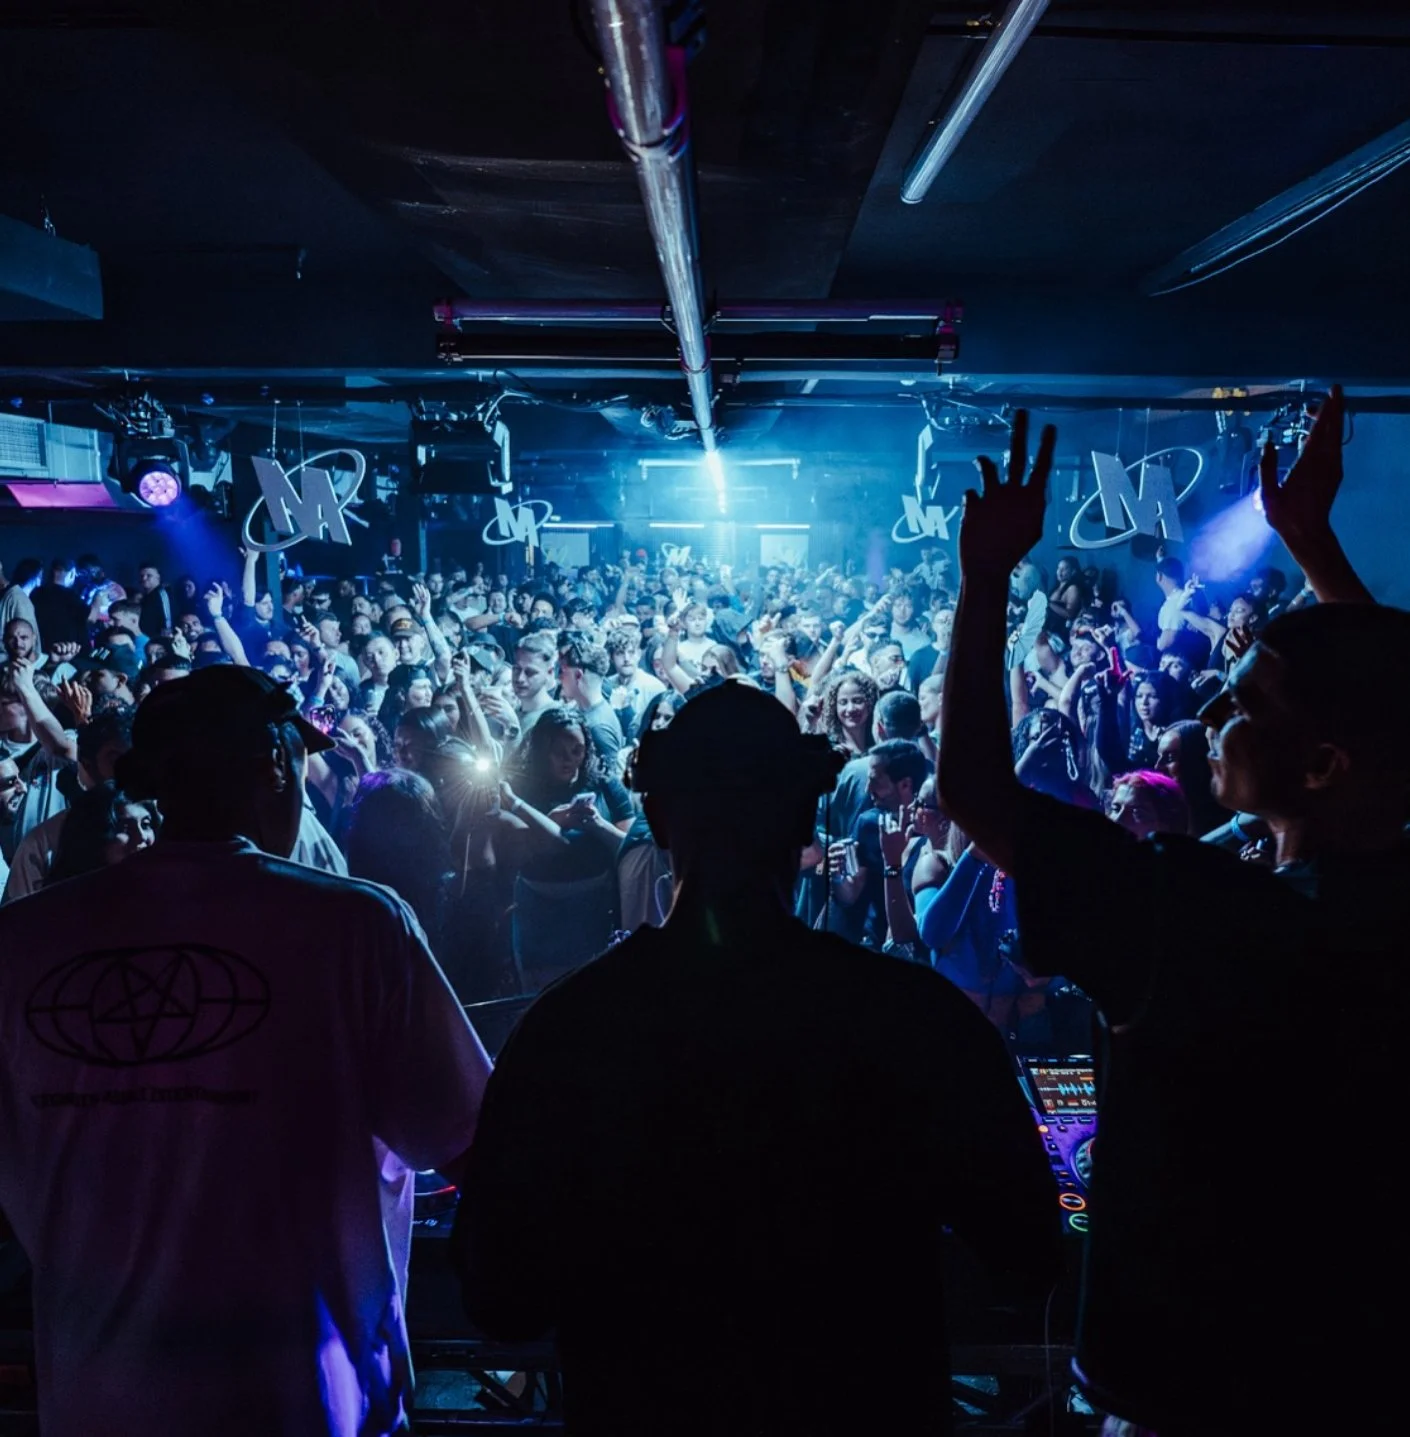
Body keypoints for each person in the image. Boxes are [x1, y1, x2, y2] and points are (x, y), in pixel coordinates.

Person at [937, 392, 1410, 1435]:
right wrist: (1316, 546)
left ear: (1322, 767)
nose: (1213, 718)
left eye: (1250, 705)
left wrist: (982, 584)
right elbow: (1397, 723)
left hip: (1187, 1391)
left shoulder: (1202, 919)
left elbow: (975, 788)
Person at [453, 679, 1061, 1437]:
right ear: (805, 816)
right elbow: (1029, 1251)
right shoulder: (913, 1018)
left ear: (656, 815)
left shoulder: (568, 1030)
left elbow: (499, 1294)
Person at [0, 665, 491, 1437]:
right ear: (274, 766)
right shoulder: (355, 927)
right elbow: (471, 1145)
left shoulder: (20, 945)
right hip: (308, 1399)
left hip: (99, 1400)